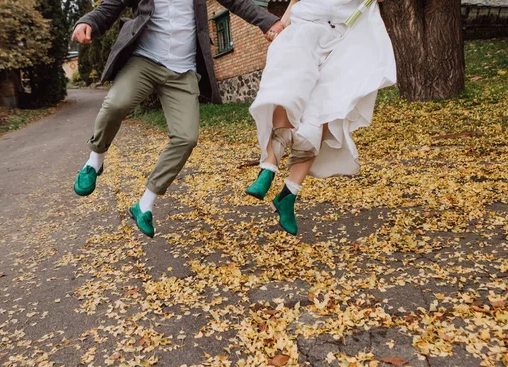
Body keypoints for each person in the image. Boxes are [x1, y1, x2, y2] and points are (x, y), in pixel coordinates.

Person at [72, 0, 285, 238]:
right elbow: (110, 7)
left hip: (182, 70)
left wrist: (269, 22)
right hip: (145, 60)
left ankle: (144, 204)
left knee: (186, 138)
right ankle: (95, 160)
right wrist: (87, 21)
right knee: (116, 104)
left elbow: (237, 2)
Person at [245, 0, 396, 235]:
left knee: (325, 112)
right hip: (305, 27)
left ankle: (289, 194)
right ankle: (268, 168)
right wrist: (281, 23)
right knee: (289, 89)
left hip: (343, 41)